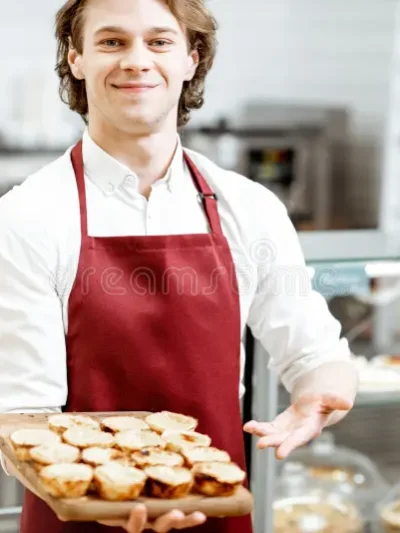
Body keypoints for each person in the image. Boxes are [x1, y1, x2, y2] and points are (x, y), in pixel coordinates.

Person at [0, 0, 358, 531]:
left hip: (217, 508)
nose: (137, 60)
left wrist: (319, 393)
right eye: (112, 42)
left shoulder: (249, 207)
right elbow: (23, 417)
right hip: (77, 516)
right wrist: (114, 497)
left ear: (192, 58)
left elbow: (312, 351)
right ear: (76, 58)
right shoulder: (27, 215)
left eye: (159, 42)